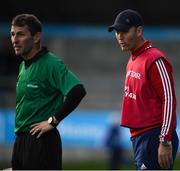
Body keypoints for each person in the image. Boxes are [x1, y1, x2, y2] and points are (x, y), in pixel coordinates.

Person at [10, 13, 86, 170]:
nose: (14, 40)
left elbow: (78, 91)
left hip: (41, 141)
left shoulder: (51, 64)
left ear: (36, 37)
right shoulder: (23, 66)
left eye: (21, 34)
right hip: (21, 140)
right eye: (12, 34)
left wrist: (53, 121)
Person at [108, 9, 179, 170]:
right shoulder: (133, 59)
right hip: (140, 137)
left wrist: (165, 140)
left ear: (139, 31)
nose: (120, 36)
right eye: (117, 32)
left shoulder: (155, 59)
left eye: (125, 31)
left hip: (154, 136)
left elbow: (168, 99)